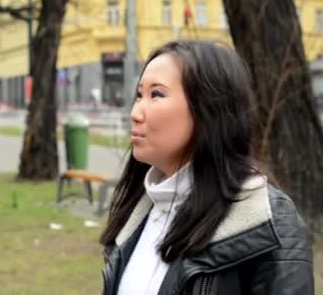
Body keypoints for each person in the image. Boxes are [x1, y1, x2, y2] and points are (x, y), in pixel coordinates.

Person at [100, 40, 313, 295]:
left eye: (156, 94)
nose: (135, 112)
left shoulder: (271, 221)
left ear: (207, 110)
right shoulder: (138, 215)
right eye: (139, 95)